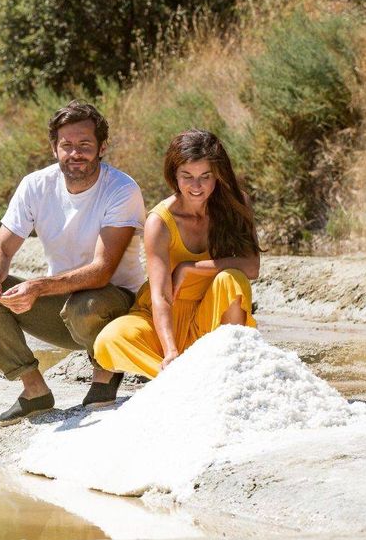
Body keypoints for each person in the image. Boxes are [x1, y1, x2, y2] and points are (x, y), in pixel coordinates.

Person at [0, 101, 147, 425]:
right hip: (63, 308)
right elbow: (0, 249)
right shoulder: (36, 185)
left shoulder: (121, 189)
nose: (75, 153)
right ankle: (34, 391)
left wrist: (37, 287)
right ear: (54, 147)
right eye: (67, 145)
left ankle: (106, 374)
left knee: (85, 304)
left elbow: (102, 269)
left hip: (114, 307)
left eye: (85, 145)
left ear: (102, 147)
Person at [94, 129, 260, 379]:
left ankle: (231, 368)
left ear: (218, 175)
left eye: (206, 176)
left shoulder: (236, 205)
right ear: (174, 175)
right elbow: (161, 295)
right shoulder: (159, 222)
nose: (196, 186)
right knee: (109, 340)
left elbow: (252, 267)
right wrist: (171, 350)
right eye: (187, 176)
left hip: (211, 314)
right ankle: (179, 378)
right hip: (165, 319)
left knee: (231, 279)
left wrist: (190, 266)